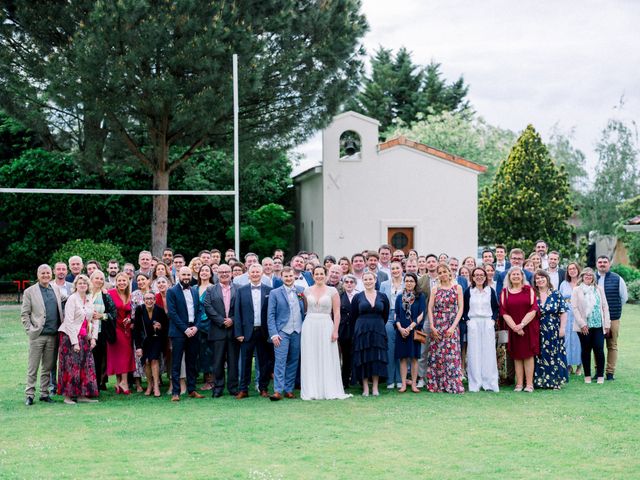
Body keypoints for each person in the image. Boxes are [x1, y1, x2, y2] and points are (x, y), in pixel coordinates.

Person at [300, 266, 351, 400]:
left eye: (321, 274)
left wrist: (335, 330)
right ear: (313, 275)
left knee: (327, 355)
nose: (319, 276)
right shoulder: (306, 291)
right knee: (311, 356)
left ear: (326, 274)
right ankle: (312, 390)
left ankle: (328, 388)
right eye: (316, 274)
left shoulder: (332, 291)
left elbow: (337, 312)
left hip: (326, 324)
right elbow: (305, 309)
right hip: (310, 325)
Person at [21, 264, 64, 405]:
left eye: (48, 273)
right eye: (43, 273)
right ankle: (29, 394)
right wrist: (30, 330)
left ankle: (44, 393)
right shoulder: (29, 291)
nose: (45, 275)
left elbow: (70, 298)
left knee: (48, 366)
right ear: (38, 275)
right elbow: (24, 314)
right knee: (33, 366)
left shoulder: (56, 289)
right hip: (37, 335)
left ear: (51, 274)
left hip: (53, 335)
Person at [57, 274, 99, 404]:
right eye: (80, 283)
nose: (82, 285)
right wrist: (74, 342)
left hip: (84, 337)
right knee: (71, 366)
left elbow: (93, 319)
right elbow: (68, 321)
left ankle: (82, 395)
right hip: (70, 337)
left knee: (85, 366)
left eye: (85, 283)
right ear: (76, 285)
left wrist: (93, 338)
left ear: (88, 286)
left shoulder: (89, 299)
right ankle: (68, 397)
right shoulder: (72, 299)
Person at [167, 267, 206, 401]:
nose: (186, 277)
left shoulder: (195, 291)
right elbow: (172, 313)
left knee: (192, 362)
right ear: (178, 274)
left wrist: (196, 327)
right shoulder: (171, 291)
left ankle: (192, 389)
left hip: (194, 330)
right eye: (183, 274)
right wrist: (185, 329)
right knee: (176, 362)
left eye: (188, 275)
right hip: (179, 331)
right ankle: (176, 392)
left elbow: (200, 311)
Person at [234, 264, 273, 399]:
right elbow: (237, 313)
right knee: (245, 362)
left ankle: (263, 388)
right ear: (248, 274)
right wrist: (238, 332)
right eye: (253, 272)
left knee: (264, 362)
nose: (255, 274)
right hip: (246, 332)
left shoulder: (270, 290)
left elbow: (272, 313)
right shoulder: (241, 290)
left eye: (258, 272)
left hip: (263, 332)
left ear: (262, 274)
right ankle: (243, 389)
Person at [267, 266, 306, 400]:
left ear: (294, 277)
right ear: (281, 277)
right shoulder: (275, 293)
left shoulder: (301, 291)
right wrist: (273, 334)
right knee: (280, 361)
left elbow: (305, 310)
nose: (289, 278)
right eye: (286, 276)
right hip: (282, 332)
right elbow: (270, 315)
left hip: (298, 330)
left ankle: (289, 389)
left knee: (293, 360)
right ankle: (278, 390)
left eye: (290, 276)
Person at [499, 267, 540, 392]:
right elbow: (503, 312)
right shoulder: (505, 292)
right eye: (513, 274)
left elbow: (533, 309)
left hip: (528, 328)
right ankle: (519, 383)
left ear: (522, 276)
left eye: (518, 274)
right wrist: (515, 328)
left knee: (528, 356)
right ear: (509, 277)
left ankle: (529, 384)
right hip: (513, 328)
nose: (515, 276)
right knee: (516, 356)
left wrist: (521, 325)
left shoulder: (529, 290)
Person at [426, 264, 464, 394]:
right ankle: (437, 385)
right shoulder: (435, 289)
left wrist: (453, 327)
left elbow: (461, 309)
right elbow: (430, 308)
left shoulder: (457, 288)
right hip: (437, 325)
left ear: (449, 272)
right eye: (440, 272)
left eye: (444, 271)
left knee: (451, 356)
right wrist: (432, 326)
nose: (442, 274)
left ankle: (452, 384)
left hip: (452, 325)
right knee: (437, 356)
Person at [203, 263, 239, 398]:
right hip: (217, 330)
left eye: (227, 271)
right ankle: (218, 387)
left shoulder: (238, 289)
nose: (224, 274)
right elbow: (207, 306)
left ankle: (233, 387)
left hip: (233, 330)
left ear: (231, 273)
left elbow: (241, 309)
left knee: (233, 361)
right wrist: (221, 321)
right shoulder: (211, 290)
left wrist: (232, 320)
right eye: (221, 272)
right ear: (217, 274)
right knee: (217, 361)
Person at [351, 272, 389, 397]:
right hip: (362, 329)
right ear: (362, 281)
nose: (368, 281)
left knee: (376, 357)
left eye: (370, 279)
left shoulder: (382, 296)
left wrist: (379, 324)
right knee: (364, 357)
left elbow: (386, 315)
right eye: (365, 279)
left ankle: (375, 387)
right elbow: (354, 315)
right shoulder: (358, 297)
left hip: (378, 328)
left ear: (375, 280)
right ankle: (366, 387)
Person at [462, 267, 500, 393]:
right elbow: (464, 308)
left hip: (487, 322)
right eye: (476, 275)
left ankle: (489, 383)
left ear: (485, 276)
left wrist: (492, 321)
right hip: (473, 323)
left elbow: (496, 308)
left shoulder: (490, 291)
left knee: (488, 353)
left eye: (481, 275)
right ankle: (475, 383)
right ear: (472, 277)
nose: (479, 277)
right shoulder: (469, 291)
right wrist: (468, 321)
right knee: (474, 353)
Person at [571, 267, 611, 384]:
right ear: (582, 277)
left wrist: (607, 323)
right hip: (584, 326)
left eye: (591, 275)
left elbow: (605, 307)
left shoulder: (599, 289)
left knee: (599, 349)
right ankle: (587, 375)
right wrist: (582, 324)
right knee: (586, 350)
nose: (588, 277)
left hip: (598, 325)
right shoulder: (577, 290)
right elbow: (575, 308)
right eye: (586, 275)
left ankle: (600, 375)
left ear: (593, 277)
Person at [533, 270, 568, 389]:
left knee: (554, 354)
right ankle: (539, 381)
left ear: (547, 279)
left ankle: (554, 381)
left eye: (542, 277)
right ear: (535, 282)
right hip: (536, 329)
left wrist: (562, 328)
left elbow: (563, 312)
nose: (540, 280)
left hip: (553, 329)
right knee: (539, 354)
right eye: (537, 278)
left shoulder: (556, 294)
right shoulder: (532, 295)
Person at [595, 255, 628, 380]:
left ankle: (610, 372)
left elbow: (623, 298)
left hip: (613, 317)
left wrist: (613, 311)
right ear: (597, 264)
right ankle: (598, 371)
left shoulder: (617, 279)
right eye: (600, 262)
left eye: (605, 262)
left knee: (612, 345)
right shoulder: (591, 278)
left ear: (609, 264)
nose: (602, 264)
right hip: (596, 318)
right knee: (597, 345)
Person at [394, 273, 425, 393]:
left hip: (414, 331)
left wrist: (410, 328)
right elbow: (396, 314)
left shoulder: (420, 296)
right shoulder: (399, 297)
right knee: (403, 358)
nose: (409, 283)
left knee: (414, 358)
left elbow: (422, 314)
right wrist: (401, 328)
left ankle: (413, 384)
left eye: (411, 281)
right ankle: (403, 384)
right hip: (401, 331)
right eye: (407, 281)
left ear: (415, 282)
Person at [134, 292, 168, 397]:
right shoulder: (139, 309)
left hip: (157, 339)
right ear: (144, 300)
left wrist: (161, 327)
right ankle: (149, 385)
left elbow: (167, 327)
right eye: (147, 299)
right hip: (145, 341)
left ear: (154, 300)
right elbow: (136, 329)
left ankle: (156, 387)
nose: (149, 301)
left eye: (151, 298)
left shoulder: (160, 310)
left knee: (154, 360)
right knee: (147, 362)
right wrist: (138, 346)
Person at [88, 270, 117, 392]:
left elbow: (114, 313)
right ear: (91, 279)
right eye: (97, 278)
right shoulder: (85, 293)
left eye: (101, 279)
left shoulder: (105, 295)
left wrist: (102, 316)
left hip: (101, 332)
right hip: (85, 332)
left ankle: (97, 386)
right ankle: (86, 384)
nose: (99, 281)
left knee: (98, 360)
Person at [107, 272, 135, 394]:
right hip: (114, 328)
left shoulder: (130, 295)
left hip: (126, 328)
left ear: (128, 282)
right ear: (116, 282)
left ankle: (119, 383)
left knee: (125, 354)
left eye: (124, 281)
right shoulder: (110, 293)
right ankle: (123, 382)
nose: (122, 283)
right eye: (120, 281)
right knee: (118, 355)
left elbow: (131, 310)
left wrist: (129, 317)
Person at [379, 261, 404, 389]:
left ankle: (400, 379)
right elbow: (381, 301)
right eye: (392, 268)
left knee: (401, 348)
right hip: (388, 317)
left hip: (403, 316)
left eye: (397, 268)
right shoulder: (384, 284)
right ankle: (390, 380)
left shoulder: (407, 282)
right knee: (389, 348)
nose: (395, 270)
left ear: (401, 269)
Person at [559, 262, 583, 376]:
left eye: (574, 268)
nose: (572, 271)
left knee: (579, 340)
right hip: (567, 314)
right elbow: (560, 299)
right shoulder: (564, 284)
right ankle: (568, 365)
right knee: (567, 340)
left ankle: (579, 365)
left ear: (578, 269)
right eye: (569, 269)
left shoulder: (583, 283)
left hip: (579, 314)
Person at [130, 273, 152, 392]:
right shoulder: (134, 295)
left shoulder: (153, 293)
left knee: (152, 355)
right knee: (137, 355)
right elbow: (132, 313)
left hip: (152, 329)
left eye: (143, 279)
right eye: (138, 280)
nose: (140, 282)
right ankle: (138, 383)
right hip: (138, 327)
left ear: (148, 281)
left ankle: (153, 381)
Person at [196, 264, 215, 391]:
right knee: (201, 353)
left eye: (207, 271)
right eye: (202, 270)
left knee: (211, 353)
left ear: (211, 274)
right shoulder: (194, 288)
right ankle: (205, 378)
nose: (204, 272)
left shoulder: (214, 288)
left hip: (210, 324)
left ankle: (212, 381)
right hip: (196, 325)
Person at [338, 274, 357, 389]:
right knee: (345, 356)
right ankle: (344, 381)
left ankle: (356, 379)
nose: (349, 284)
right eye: (347, 282)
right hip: (344, 330)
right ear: (343, 284)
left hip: (356, 329)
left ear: (355, 284)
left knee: (356, 355)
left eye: (351, 282)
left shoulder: (359, 296)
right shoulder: (339, 296)